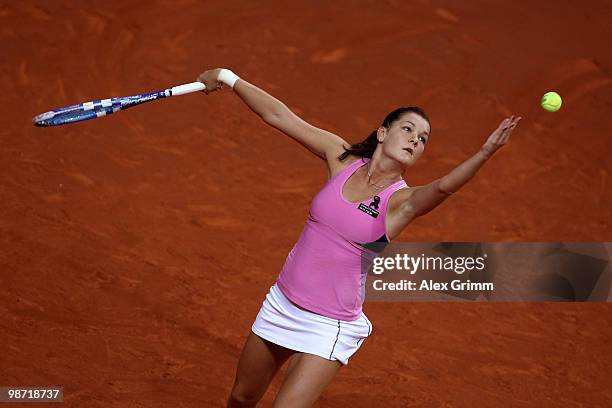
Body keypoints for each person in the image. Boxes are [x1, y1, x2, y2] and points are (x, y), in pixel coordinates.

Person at [196, 68, 521, 408]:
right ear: (383, 132)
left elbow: (443, 187)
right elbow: (278, 115)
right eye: (408, 129)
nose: (415, 139)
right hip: (282, 303)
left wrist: (485, 153)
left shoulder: (400, 203)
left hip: (330, 324)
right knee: (241, 397)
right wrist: (227, 77)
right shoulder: (341, 159)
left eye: (422, 139)